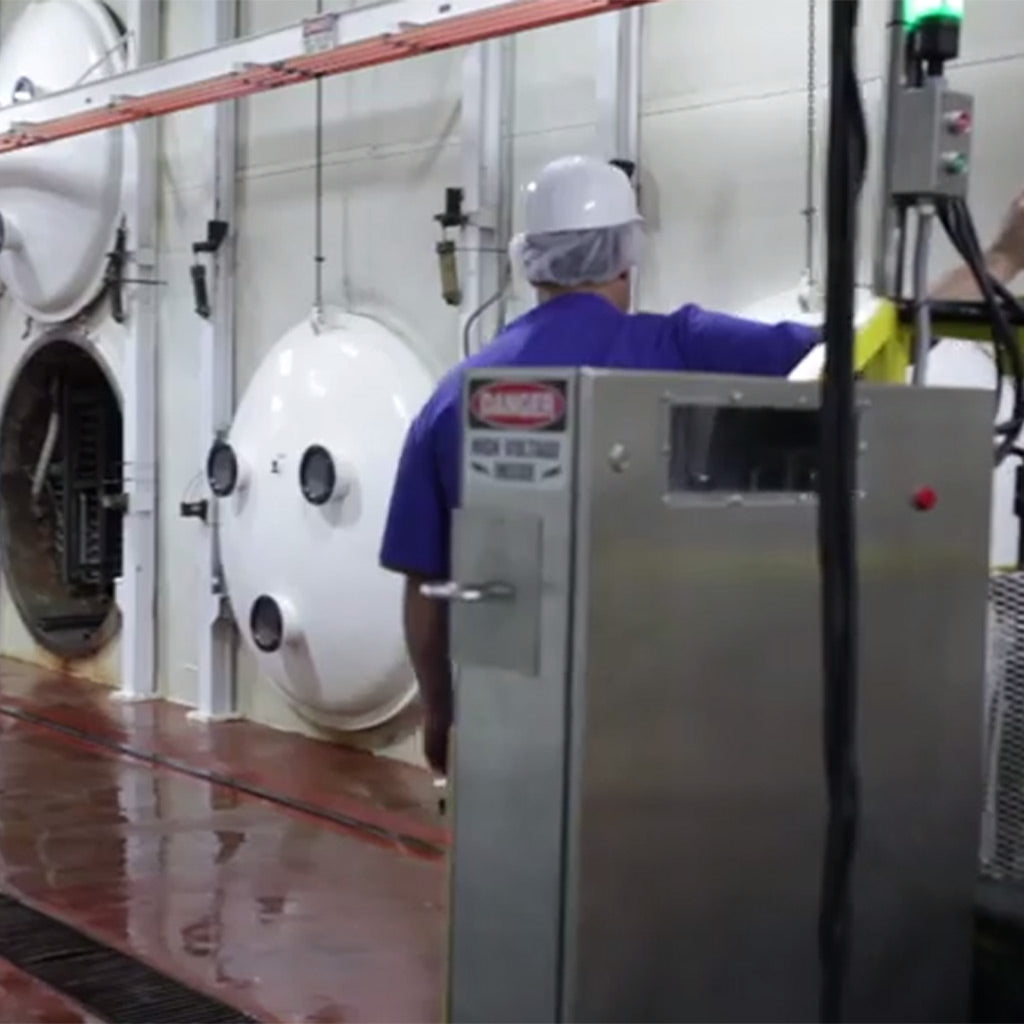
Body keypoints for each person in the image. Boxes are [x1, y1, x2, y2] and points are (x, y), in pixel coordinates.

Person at [380, 153, 1024, 774]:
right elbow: (875, 340)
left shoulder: (454, 396)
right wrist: (1002, 256)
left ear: (530, 262)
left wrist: (440, 711)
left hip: (509, 707)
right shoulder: (683, 345)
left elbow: (424, 588)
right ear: (626, 255)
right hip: (661, 709)